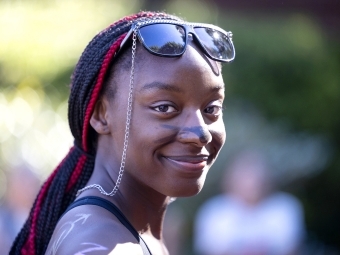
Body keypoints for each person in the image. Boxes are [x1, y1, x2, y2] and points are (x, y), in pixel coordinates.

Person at [10, 11, 235, 255]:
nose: (200, 132)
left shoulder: (128, 228)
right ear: (100, 115)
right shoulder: (101, 245)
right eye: (165, 108)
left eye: (211, 108)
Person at [194, 150, 305, 255]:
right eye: (245, 178)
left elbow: (291, 248)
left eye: (256, 178)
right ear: (231, 181)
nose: (251, 184)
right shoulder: (214, 211)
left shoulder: (285, 207)